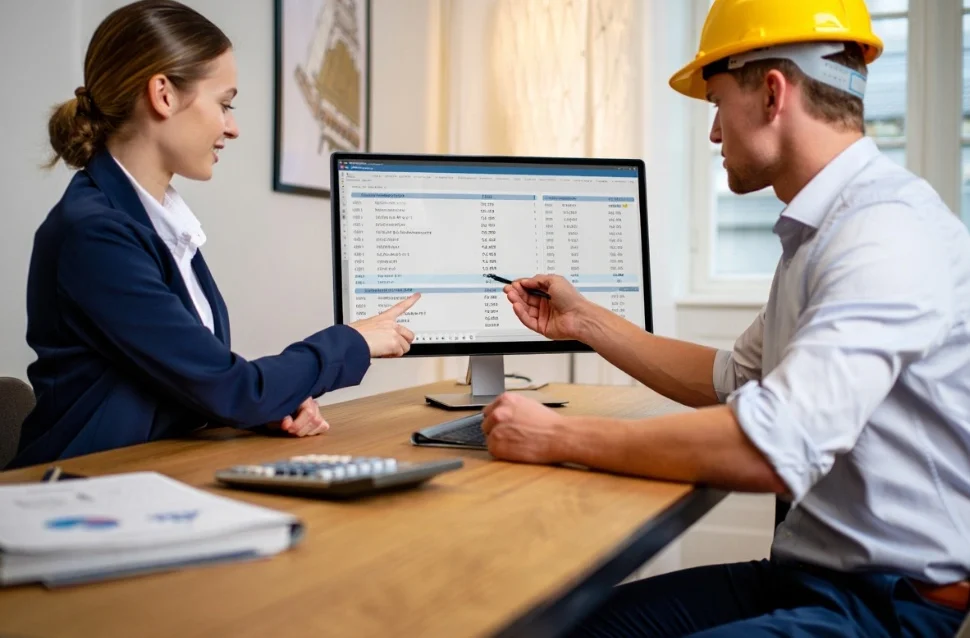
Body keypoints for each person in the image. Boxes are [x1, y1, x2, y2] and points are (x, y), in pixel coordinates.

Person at [484, 0, 970, 635]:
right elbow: (732, 379)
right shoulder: (824, 230)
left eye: (715, 103)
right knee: (564, 628)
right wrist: (583, 321)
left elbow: (774, 443)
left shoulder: (884, 233)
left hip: (885, 604)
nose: (714, 133)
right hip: (810, 575)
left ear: (772, 94)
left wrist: (557, 438)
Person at [9, 0, 419, 469]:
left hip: (156, 473)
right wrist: (351, 341)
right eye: (224, 103)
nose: (233, 126)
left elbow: (188, 378)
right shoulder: (96, 235)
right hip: (86, 491)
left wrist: (263, 408)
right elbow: (228, 386)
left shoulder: (157, 222)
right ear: (162, 94)